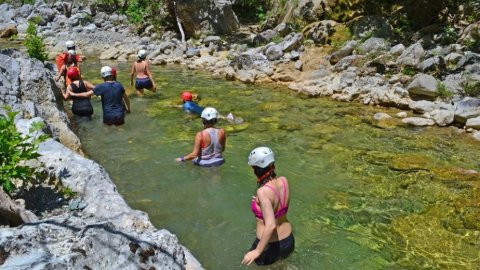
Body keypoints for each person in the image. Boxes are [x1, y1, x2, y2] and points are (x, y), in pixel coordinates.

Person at [242, 146, 294, 266]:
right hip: (288, 241)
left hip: (269, 246)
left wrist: (257, 251)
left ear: (257, 168)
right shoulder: (284, 181)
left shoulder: (263, 192)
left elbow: (270, 225)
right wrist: (260, 202)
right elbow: (278, 205)